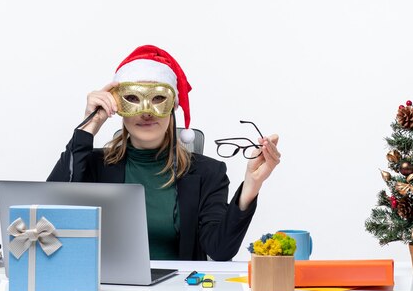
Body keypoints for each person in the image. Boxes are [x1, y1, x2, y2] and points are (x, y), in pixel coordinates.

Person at [47, 45, 281, 261]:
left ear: (173, 107)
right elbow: (48, 215)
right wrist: (91, 123)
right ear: (118, 106)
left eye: (159, 98)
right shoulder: (93, 165)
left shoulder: (208, 172)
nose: (147, 112)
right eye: (133, 99)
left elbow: (219, 251)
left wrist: (251, 185)